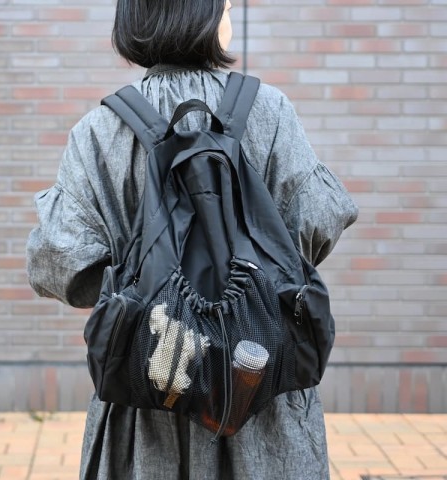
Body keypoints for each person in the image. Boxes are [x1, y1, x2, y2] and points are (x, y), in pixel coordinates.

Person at [26, 0, 359, 478]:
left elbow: (62, 265)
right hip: (263, 393)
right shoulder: (269, 111)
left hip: (147, 401)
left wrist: (147, 295)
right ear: (205, 14)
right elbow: (318, 224)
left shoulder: (100, 130)